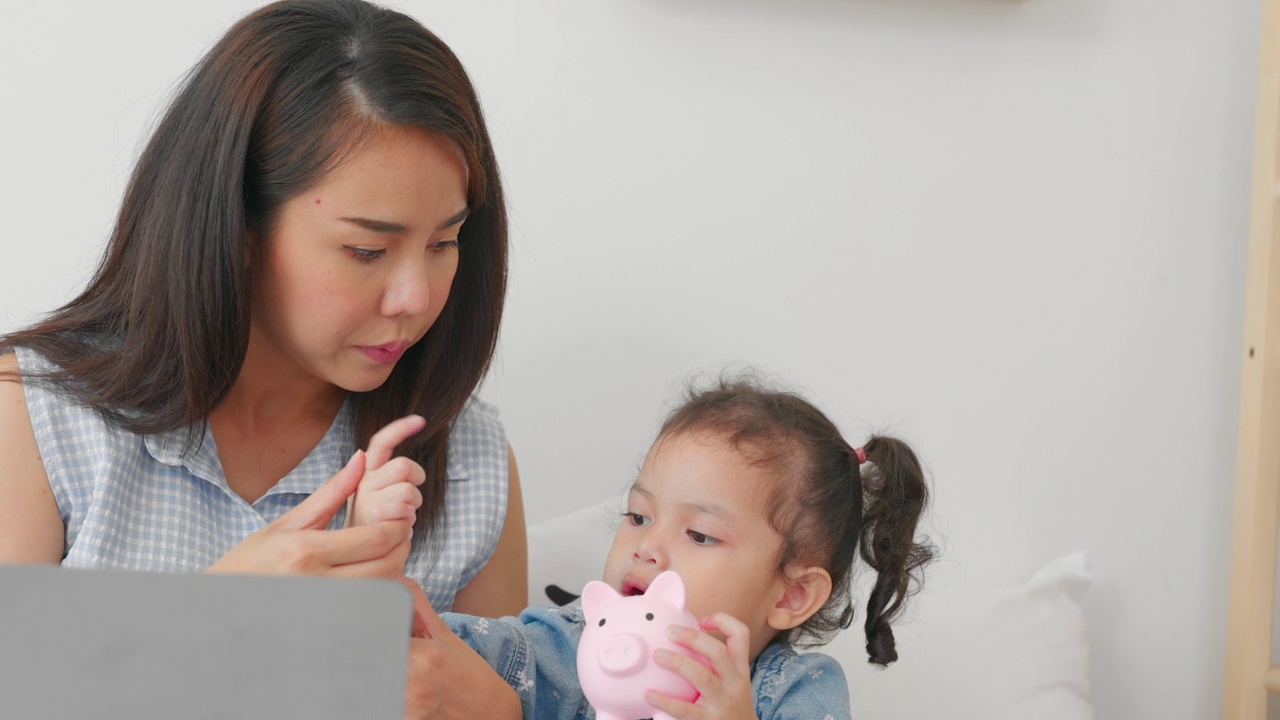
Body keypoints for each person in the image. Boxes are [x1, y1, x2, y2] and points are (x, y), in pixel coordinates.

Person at [0, 1, 528, 716]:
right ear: (237, 226)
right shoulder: (36, 416)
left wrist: (500, 709)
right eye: (366, 250)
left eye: (444, 244)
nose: (415, 296)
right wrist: (209, 624)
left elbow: (510, 685)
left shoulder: (467, 460)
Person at [391, 377, 935, 719]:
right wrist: (380, 592)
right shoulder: (569, 642)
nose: (647, 546)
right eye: (638, 516)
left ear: (792, 595)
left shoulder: (797, 693)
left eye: (699, 535)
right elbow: (456, 655)